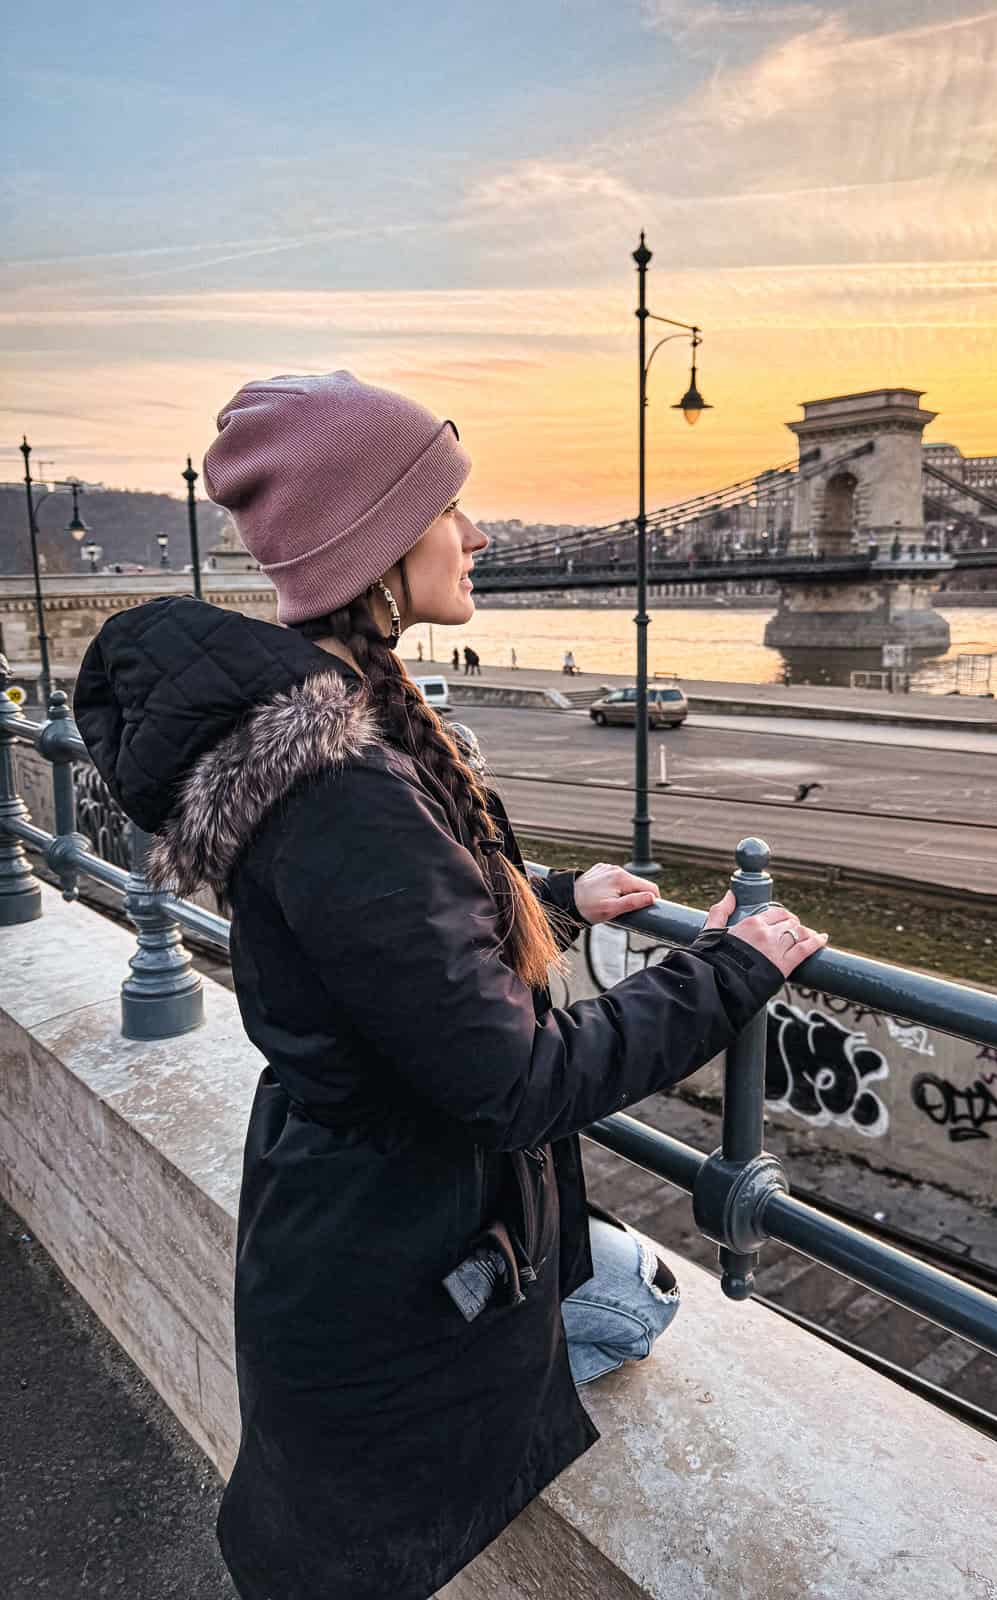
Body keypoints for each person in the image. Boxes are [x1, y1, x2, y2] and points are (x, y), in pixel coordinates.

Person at [73, 370, 826, 1600]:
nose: (478, 534)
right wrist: (730, 969)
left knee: (620, 1300)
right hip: (387, 1273)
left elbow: (401, 920)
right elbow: (519, 1081)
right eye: (451, 506)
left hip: (377, 1228)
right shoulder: (339, 786)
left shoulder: (327, 730)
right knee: (630, 1314)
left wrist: (549, 895)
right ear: (375, 542)